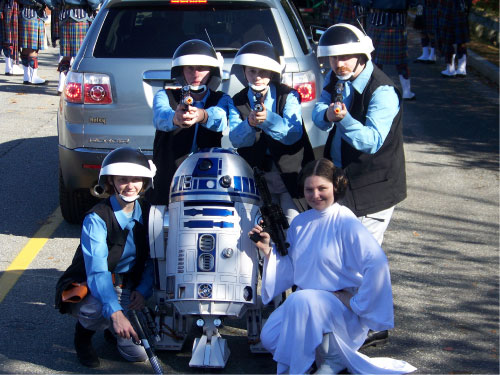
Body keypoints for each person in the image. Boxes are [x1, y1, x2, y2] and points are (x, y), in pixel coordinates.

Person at [250, 158, 416, 374]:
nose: (315, 195)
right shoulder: (300, 222)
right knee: (270, 337)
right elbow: (293, 267)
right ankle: (319, 357)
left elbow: (376, 263)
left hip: (340, 311)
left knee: (301, 299)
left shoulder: (345, 221)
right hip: (306, 306)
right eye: (309, 189)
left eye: (322, 188)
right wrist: (267, 250)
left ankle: (328, 359)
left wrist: (357, 302)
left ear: (336, 187)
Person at [55, 147, 156, 368]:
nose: (130, 186)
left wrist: (143, 290)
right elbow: (97, 271)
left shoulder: (149, 212)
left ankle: (113, 329)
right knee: (95, 308)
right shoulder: (96, 218)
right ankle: (83, 339)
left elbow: (151, 259)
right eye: (122, 180)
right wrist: (116, 312)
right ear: (110, 182)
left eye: (136, 179)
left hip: (130, 284)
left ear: (145, 181)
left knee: (138, 354)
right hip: (95, 284)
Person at [312, 23, 406, 246]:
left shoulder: (382, 90)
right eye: (333, 58)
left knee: (361, 258)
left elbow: (371, 142)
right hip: (341, 181)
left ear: (362, 55)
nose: (338, 64)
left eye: (345, 57)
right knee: (336, 252)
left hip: (374, 187)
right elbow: (318, 114)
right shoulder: (334, 78)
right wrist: (327, 115)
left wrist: (344, 119)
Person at [228, 41, 314, 221]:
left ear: (273, 73)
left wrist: (268, 119)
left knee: (294, 223)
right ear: (243, 72)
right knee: (263, 225)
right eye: (252, 71)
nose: (257, 76)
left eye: (263, 71)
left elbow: (293, 134)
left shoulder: (289, 95)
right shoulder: (237, 100)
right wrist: (249, 124)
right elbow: (236, 138)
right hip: (259, 177)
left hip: (290, 175)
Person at [146, 39, 230, 205]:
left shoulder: (222, 98)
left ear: (212, 71)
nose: (196, 74)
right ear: (181, 71)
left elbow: (220, 117)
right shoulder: (165, 95)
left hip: (207, 177)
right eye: (190, 68)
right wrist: (176, 118)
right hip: (169, 177)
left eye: (201, 68)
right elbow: (160, 116)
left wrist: (201, 115)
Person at [361, 0, 416, 100]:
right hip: (398, 23)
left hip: (378, 21)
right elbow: (413, 3)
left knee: (375, 60)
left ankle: (374, 89)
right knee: (400, 61)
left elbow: (365, 3)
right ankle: (407, 92)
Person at [52, 0, 102, 93]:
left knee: (66, 55)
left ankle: (61, 85)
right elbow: (93, 2)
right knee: (80, 55)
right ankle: (77, 85)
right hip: (80, 17)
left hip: (64, 17)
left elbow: (54, 2)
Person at [18, 0, 54, 85]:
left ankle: (26, 77)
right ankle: (33, 77)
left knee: (26, 48)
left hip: (23, 13)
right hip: (34, 14)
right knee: (33, 49)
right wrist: (54, 6)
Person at [436, 0, 471, 77]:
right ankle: (461, 69)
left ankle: (451, 69)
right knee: (461, 40)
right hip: (460, 11)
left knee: (448, 40)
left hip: (448, 10)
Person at [1, 0, 24, 75]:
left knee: (7, 37)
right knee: (11, 37)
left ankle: (9, 66)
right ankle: (12, 66)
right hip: (11, 6)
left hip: (7, 6)